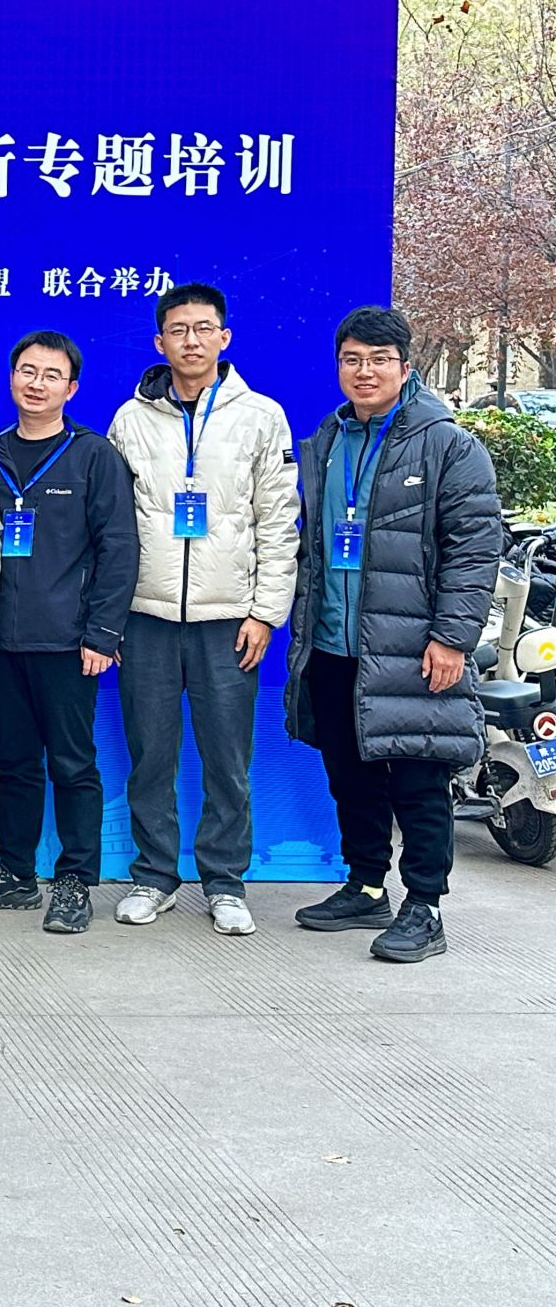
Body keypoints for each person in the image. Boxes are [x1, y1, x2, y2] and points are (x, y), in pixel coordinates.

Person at [285, 306, 501, 963]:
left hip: (413, 646)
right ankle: (366, 886)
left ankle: (425, 906)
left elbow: (474, 548)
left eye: (379, 360)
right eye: (352, 359)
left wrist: (452, 638)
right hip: (334, 643)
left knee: (418, 778)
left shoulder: (448, 445)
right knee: (350, 774)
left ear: (405, 367)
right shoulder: (328, 439)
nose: (365, 371)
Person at [108, 283, 300, 936]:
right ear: (159, 341)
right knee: (150, 757)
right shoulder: (130, 420)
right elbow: (112, 529)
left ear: (225, 337)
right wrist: (110, 617)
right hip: (145, 618)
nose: (191, 340)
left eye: (203, 328)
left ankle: (224, 881)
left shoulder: (261, 416)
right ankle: (155, 876)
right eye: (178, 330)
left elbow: (279, 522)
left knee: (227, 759)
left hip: (229, 621)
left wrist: (265, 613)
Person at [0, 332, 137, 935]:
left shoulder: (93, 456)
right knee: (14, 761)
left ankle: (75, 880)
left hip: (68, 643)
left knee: (73, 763)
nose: (37, 383)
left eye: (51, 375)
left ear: (71, 388)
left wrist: (102, 633)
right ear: (12, 378)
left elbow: (118, 549)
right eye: (27, 371)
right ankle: (15, 873)